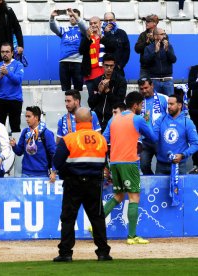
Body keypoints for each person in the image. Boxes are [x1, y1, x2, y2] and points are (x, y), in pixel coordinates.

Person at [52, 107, 111, 262]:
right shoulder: (101, 139)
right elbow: (104, 161)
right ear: (91, 120)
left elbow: (57, 162)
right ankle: (103, 252)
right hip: (94, 183)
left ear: (75, 121)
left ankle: (65, 253)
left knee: (68, 218)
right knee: (97, 218)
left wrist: (66, 170)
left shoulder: (69, 139)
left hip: (73, 183)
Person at [103, 92, 157, 245]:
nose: (141, 108)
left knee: (118, 196)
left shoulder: (113, 120)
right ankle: (132, 236)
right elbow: (153, 138)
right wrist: (147, 122)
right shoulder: (138, 119)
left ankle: (96, 225)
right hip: (130, 162)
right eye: (140, 105)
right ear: (135, 105)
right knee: (134, 198)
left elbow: (105, 139)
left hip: (114, 163)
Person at [153, 94, 198, 175]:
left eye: (171, 104)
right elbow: (153, 137)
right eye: (168, 104)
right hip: (161, 165)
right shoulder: (161, 119)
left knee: (179, 188)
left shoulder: (187, 122)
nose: (169, 107)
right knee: (158, 188)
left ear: (180, 105)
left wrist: (183, 155)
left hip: (179, 166)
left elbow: (195, 144)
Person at [10, 106, 56, 180]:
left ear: (36, 117)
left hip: (42, 174)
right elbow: (19, 152)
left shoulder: (47, 133)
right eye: (26, 117)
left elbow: (54, 154)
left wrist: (53, 171)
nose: (26, 119)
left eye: (29, 116)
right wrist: (14, 146)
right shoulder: (25, 132)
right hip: (25, 173)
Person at [0, 43, 24, 133]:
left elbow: (18, 80)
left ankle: (15, 147)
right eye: (2, 52)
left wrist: (7, 73)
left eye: (7, 52)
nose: (5, 54)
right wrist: (0, 76)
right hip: (0, 100)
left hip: (15, 100)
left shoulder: (18, 65)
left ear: (12, 53)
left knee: (15, 128)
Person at [49, 8, 86, 92]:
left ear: (78, 17)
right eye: (70, 16)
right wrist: (52, 17)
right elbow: (53, 28)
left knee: (78, 89)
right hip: (64, 62)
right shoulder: (64, 29)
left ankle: (77, 105)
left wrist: (77, 17)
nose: (72, 18)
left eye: (74, 16)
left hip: (78, 62)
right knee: (65, 89)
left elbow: (84, 27)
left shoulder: (82, 29)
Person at [137, 77, 168, 175]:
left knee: (162, 166)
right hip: (145, 140)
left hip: (160, 140)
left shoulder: (163, 98)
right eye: (141, 89)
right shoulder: (138, 101)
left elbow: (171, 116)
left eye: (146, 88)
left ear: (152, 85)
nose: (144, 91)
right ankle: (152, 183)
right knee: (144, 166)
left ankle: (159, 186)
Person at [88, 54, 127, 132]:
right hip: (97, 121)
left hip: (113, 120)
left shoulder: (121, 81)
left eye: (111, 66)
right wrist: (99, 92)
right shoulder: (96, 81)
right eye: (106, 66)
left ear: (114, 65)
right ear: (102, 65)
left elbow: (119, 103)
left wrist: (107, 91)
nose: (109, 69)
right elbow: (91, 103)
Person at [143, 28, 177, 96]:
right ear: (155, 36)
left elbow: (173, 60)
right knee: (156, 103)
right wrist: (155, 52)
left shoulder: (169, 46)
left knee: (169, 102)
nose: (164, 36)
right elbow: (146, 62)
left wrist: (167, 50)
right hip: (154, 80)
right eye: (162, 34)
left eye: (164, 34)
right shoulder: (148, 48)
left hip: (167, 80)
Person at [79, 16, 104, 98]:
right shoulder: (87, 37)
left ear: (100, 24)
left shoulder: (105, 36)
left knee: (102, 98)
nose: (93, 25)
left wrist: (102, 38)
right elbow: (81, 50)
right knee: (92, 99)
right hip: (89, 74)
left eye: (95, 23)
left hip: (102, 72)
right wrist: (88, 37)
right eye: (91, 24)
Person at [101, 12, 130, 77]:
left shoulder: (121, 33)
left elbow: (126, 51)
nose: (108, 23)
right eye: (106, 20)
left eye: (110, 20)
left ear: (114, 20)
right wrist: (107, 33)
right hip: (103, 69)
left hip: (118, 69)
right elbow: (110, 46)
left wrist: (120, 65)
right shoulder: (101, 33)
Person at [188, 64, 198, 173]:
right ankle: (196, 165)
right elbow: (191, 84)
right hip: (195, 109)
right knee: (196, 138)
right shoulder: (194, 69)